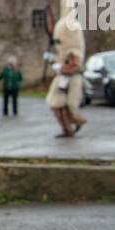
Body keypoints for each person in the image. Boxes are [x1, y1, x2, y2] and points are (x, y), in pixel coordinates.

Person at [45, 9, 88, 137]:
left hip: (70, 80)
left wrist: (60, 68)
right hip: (62, 80)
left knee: (65, 107)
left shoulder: (74, 52)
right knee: (56, 106)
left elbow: (75, 67)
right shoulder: (64, 51)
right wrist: (54, 62)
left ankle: (70, 126)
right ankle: (66, 128)